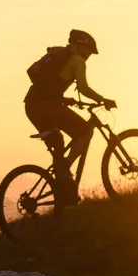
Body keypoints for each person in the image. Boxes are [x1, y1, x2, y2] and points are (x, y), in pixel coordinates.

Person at [24, 29, 114, 205]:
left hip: (32, 106)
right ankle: (65, 170)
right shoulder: (77, 61)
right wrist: (103, 100)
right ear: (80, 47)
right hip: (47, 107)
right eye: (88, 51)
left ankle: (65, 190)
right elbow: (84, 89)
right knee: (86, 131)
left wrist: (66, 100)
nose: (89, 56)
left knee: (57, 143)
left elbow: (51, 87)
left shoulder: (61, 57)